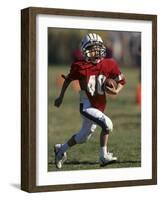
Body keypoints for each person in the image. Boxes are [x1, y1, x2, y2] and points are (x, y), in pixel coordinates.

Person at [54, 33, 126, 169]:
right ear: (85, 51)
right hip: (86, 105)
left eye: (98, 48)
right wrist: (61, 97)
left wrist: (117, 90)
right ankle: (103, 156)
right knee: (107, 124)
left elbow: (121, 79)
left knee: (83, 137)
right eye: (92, 49)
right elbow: (68, 80)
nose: (96, 52)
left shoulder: (109, 63)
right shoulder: (80, 66)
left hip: (99, 105)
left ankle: (61, 149)